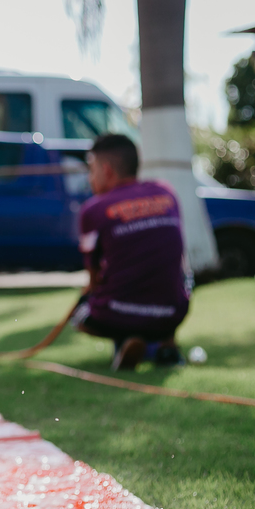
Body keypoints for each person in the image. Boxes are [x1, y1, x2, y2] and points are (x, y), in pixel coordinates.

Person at [72, 134, 191, 371]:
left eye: (91, 169)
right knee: (181, 275)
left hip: (118, 312)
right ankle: (166, 345)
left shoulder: (93, 210)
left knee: (81, 313)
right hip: (173, 311)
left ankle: (131, 343)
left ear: (106, 170)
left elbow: (93, 278)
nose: (89, 177)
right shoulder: (166, 192)